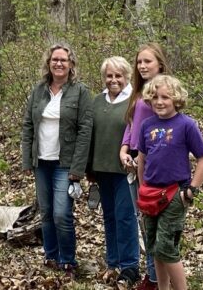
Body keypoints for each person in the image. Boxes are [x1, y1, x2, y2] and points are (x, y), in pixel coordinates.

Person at [21, 42, 94, 276]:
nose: (59, 63)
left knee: (62, 213)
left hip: (66, 163)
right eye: (55, 60)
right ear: (48, 63)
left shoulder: (80, 91)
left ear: (71, 64)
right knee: (46, 212)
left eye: (63, 60)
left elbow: (85, 130)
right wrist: (26, 160)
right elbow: (28, 125)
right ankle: (51, 256)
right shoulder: (39, 90)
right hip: (41, 161)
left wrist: (78, 168)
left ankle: (68, 260)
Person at [135, 75, 203, 290]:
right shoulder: (147, 125)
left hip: (174, 194)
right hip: (150, 194)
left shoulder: (186, 124)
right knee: (155, 248)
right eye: (156, 97)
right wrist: (141, 187)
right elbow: (142, 158)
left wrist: (190, 191)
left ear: (176, 99)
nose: (160, 102)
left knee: (167, 247)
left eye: (165, 97)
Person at [120, 43, 170, 290]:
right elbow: (131, 124)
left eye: (147, 61)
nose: (142, 66)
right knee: (142, 221)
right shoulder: (138, 93)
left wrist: (147, 156)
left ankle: (157, 278)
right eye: (139, 62)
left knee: (154, 224)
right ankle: (152, 276)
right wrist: (124, 149)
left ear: (160, 63)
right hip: (133, 164)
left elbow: (168, 129)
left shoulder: (163, 93)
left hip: (154, 167)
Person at [88, 56, 140, 285]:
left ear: (127, 76)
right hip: (102, 169)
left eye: (118, 75)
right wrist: (88, 167)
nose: (113, 80)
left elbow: (138, 135)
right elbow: (89, 135)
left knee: (125, 217)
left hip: (124, 171)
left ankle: (130, 267)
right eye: (109, 75)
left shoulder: (135, 101)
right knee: (109, 217)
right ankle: (113, 263)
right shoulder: (97, 101)